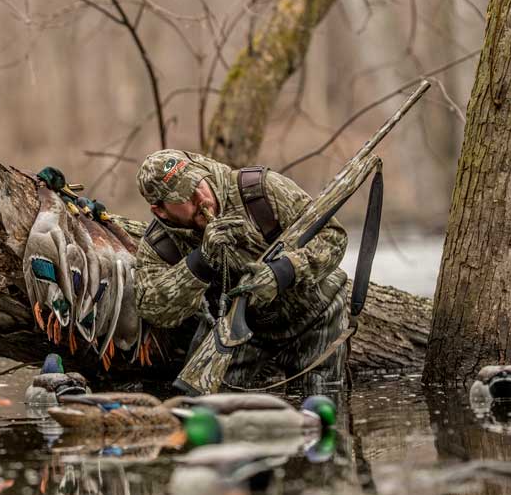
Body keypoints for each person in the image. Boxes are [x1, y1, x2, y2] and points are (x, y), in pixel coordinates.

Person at [133, 149, 349, 393]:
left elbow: (332, 236)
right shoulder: (160, 244)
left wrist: (284, 271)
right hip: (244, 331)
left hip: (316, 313)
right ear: (160, 210)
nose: (199, 198)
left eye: (197, 183)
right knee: (205, 408)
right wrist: (201, 262)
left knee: (320, 402)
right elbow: (151, 308)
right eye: (184, 196)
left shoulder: (259, 189)